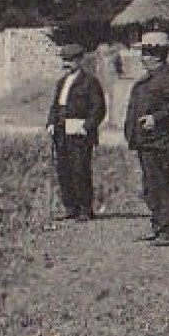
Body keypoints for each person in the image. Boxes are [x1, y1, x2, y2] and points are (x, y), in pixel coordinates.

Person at [124, 33, 169, 247]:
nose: (142, 57)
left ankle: (167, 232)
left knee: (161, 184)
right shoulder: (150, 77)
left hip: (159, 142)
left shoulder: (167, 77)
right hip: (146, 141)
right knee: (151, 186)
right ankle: (158, 226)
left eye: (146, 53)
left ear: (157, 55)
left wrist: (156, 118)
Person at [44, 41, 107, 222]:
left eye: (70, 60)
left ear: (80, 60)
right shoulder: (61, 82)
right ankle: (70, 207)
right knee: (64, 170)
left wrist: (86, 126)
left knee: (80, 170)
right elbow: (55, 106)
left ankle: (85, 209)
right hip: (61, 132)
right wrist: (50, 123)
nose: (66, 64)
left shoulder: (90, 82)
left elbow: (98, 109)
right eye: (64, 60)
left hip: (79, 133)